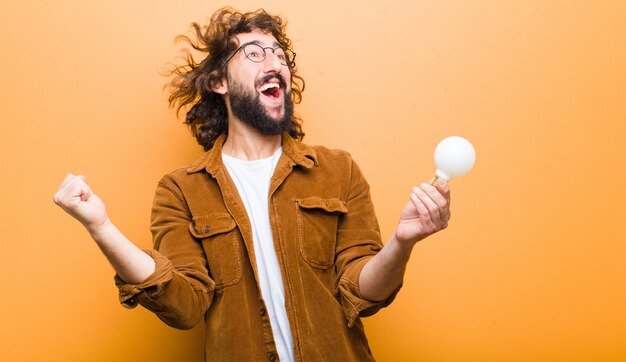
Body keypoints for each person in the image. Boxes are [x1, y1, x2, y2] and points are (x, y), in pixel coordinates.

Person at [53, 7, 451, 361]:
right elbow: (184, 305)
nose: (275, 62)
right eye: (255, 54)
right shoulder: (180, 191)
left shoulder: (338, 169)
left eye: (280, 55)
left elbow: (364, 293)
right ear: (218, 82)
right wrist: (100, 226)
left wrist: (402, 242)